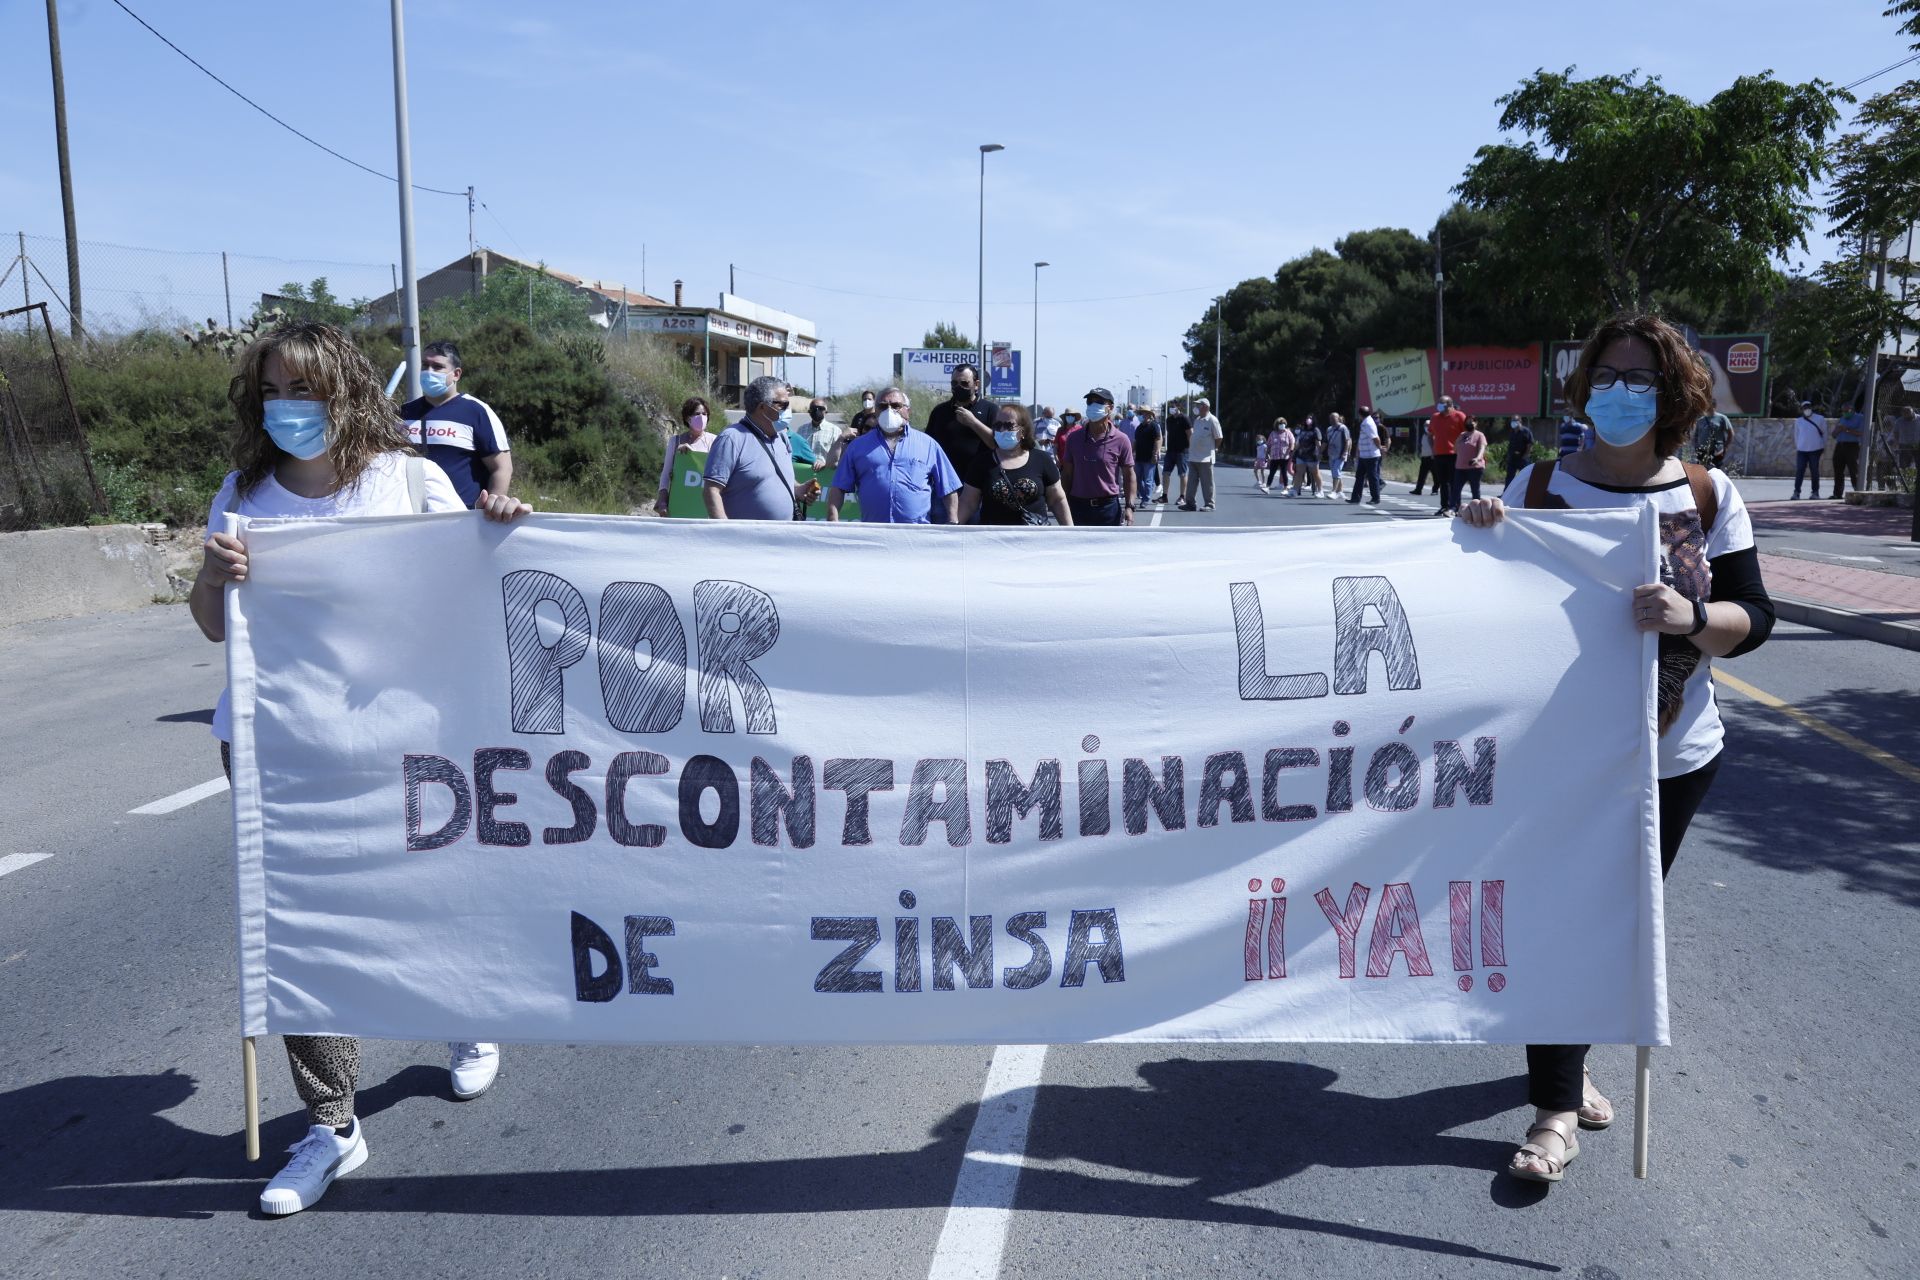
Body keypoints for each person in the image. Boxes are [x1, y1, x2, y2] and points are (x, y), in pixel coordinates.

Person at [192, 322, 531, 1216]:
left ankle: (466, 1012)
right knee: (299, 925)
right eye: (271, 392)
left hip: (398, 742)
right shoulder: (244, 493)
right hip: (274, 744)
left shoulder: (411, 480)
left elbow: (471, 597)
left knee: (425, 893)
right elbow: (212, 625)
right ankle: (332, 1124)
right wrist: (215, 576)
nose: (286, 409)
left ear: (345, 389)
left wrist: (494, 531)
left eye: (301, 390)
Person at [1462, 312, 1775, 1186]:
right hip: (1555, 759)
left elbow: (1756, 620)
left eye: (1640, 379)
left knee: (1621, 918)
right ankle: (1556, 1106)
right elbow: (1478, 613)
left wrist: (1695, 617)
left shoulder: (1707, 496)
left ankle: (1570, 1063)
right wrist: (1478, 533)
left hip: (1673, 757)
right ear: (1584, 386)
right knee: (1567, 916)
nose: (1620, 392)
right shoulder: (1535, 485)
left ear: (1672, 395)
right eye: (1607, 374)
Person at [399, 340, 511, 509]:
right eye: (425, 365)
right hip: (408, 516)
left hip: (460, 519)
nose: (429, 372)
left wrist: (489, 514)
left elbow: (501, 468)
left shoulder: (477, 411)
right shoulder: (403, 412)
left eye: (437, 367)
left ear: (456, 374)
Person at [827, 386, 961, 523]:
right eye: (883, 406)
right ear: (876, 411)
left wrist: (953, 520)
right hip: (874, 531)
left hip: (916, 534)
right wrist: (833, 519)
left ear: (907, 411)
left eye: (896, 405)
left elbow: (948, 487)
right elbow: (838, 487)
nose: (889, 411)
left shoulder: (928, 445)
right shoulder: (857, 447)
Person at [958, 402, 1073, 526]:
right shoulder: (981, 462)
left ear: (1023, 431)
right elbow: (968, 502)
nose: (1002, 430)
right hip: (993, 540)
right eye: (998, 425)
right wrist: (952, 528)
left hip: (1035, 540)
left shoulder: (1042, 460)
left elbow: (1057, 499)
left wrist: (1070, 533)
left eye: (1009, 425)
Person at [703, 376, 799, 521]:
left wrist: (799, 489)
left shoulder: (782, 437)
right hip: (743, 540)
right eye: (783, 406)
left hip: (781, 540)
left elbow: (775, 478)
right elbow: (711, 490)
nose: (788, 411)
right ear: (762, 407)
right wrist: (724, 531)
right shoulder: (732, 438)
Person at [924, 363, 996, 522]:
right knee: (944, 535)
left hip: (979, 487)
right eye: (954, 383)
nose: (958, 387)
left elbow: (996, 444)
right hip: (945, 487)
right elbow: (928, 447)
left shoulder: (990, 410)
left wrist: (973, 422)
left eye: (964, 383)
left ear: (976, 385)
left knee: (976, 537)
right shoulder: (940, 411)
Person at [1059, 386, 1136, 525]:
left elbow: (1129, 476)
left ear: (1110, 408)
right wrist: (1063, 505)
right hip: (1078, 507)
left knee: (1110, 547)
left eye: (1099, 402)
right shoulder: (1074, 438)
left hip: (1108, 509)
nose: (1093, 406)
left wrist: (1130, 507)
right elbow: (1067, 475)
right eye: (1090, 402)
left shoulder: (1121, 439)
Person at [653, 396, 714, 516]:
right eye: (697, 414)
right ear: (688, 418)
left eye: (704, 414)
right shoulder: (675, 441)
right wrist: (662, 500)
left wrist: (693, 457)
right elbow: (666, 474)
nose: (701, 417)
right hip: (680, 503)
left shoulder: (715, 441)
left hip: (703, 506)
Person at [1426, 395, 1467, 516]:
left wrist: (1463, 450)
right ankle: (1444, 506)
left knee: (1455, 482)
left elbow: (1467, 434)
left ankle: (1456, 507)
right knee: (1443, 482)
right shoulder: (1435, 417)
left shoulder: (1459, 416)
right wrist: (1433, 449)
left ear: (1450, 405)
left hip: (1455, 455)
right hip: (1439, 455)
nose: (1439, 406)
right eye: (1438, 403)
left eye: (1442, 404)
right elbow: (1430, 434)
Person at [1181, 397, 1223, 510]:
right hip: (1194, 456)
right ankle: (1190, 504)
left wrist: (1214, 448)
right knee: (1191, 483)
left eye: (1199, 405)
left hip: (1206, 458)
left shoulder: (1212, 420)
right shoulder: (1198, 420)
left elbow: (1219, 437)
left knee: (1207, 483)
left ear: (1206, 407)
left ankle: (1209, 504)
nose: (1197, 407)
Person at [1346, 408, 1384, 505]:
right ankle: (1355, 498)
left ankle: (1375, 498)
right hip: (1364, 455)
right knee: (1359, 476)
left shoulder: (1368, 423)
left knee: (1372, 477)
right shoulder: (1366, 422)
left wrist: (1379, 447)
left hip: (1371, 455)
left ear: (1360, 414)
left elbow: (1375, 437)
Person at [1791, 400, 1827, 499]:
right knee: (1800, 471)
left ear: (1811, 408)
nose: (1807, 409)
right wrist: (1798, 446)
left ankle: (1815, 492)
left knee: (1814, 471)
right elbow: (1796, 435)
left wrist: (1823, 446)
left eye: (1808, 407)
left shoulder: (1820, 419)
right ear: (1802, 410)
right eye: (1805, 408)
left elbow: (1824, 434)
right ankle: (1796, 492)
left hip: (1816, 449)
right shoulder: (1798, 421)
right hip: (1802, 450)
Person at [1452, 415, 1488, 505]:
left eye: (1472, 421)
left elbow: (1482, 449)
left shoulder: (1480, 435)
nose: (1470, 423)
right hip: (1460, 466)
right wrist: (1458, 439)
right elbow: (1455, 449)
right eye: (1468, 421)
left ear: (1476, 423)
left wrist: (1478, 458)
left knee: (1475, 489)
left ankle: (1477, 509)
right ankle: (1454, 508)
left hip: (1474, 466)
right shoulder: (1462, 435)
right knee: (1456, 489)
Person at [1831, 405, 1865, 499]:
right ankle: (1837, 494)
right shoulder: (1842, 418)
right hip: (1840, 445)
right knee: (1838, 470)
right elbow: (1833, 435)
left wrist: (1846, 429)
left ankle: (1858, 492)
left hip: (1852, 446)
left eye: (1847, 411)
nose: (1845, 412)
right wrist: (1837, 430)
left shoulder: (1860, 418)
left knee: (1853, 470)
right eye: (1843, 411)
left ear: (1853, 410)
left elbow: (1861, 433)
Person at [1160, 406, 1192, 503]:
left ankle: (1182, 496)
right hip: (1170, 451)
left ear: (1178, 407)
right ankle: (1164, 496)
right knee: (1165, 473)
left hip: (1182, 451)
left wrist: (1190, 449)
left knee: (1182, 474)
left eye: (1173, 407)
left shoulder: (1184, 418)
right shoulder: (1168, 420)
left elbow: (1190, 434)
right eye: (1170, 408)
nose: (1172, 409)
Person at [1133, 409, 1162, 507]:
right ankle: (1143, 495)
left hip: (1149, 458)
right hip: (1139, 457)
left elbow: (1158, 439)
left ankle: (1146, 499)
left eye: (1143, 413)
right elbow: (1135, 441)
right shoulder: (1139, 427)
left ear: (1149, 415)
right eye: (1140, 413)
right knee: (1137, 479)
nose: (1141, 415)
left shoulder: (1154, 426)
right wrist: (1132, 452)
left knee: (1148, 480)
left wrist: (1155, 453)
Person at [1692, 405, 1732, 471]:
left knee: (1715, 471)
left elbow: (1730, 433)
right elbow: (1695, 435)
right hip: (1702, 451)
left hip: (1717, 451)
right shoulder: (1700, 420)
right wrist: (1696, 447)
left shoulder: (1722, 418)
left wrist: (1725, 447)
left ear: (1713, 406)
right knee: (1702, 471)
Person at [1291, 416, 1322, 497]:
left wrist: (1319, 453)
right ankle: (1294, 490)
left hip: (1312, 456)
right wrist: (1294, 452)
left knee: (1315, 474)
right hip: (1301, 455)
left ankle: (1320, 491)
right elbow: (1298, 442)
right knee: (1299, 473)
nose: (1308, 420)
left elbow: (1318, 443)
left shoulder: (1315, 430)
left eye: (1310, 418)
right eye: (1307, 418)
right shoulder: (1302, 430)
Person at [1323, 413, 1352, 500]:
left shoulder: (1343, 428)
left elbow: (1347, 441)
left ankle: (1334, 492)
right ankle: (1340, 492)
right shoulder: (1329, 429)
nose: (1331, 420)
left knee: (1336, 471)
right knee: (1335, 473)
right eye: (1330, 418)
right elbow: (1325, 441)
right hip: (1331, 454)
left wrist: (1345, 452)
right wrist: (1320, 452)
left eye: (1333, 418)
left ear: (1338, 418)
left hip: (1340, 454)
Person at [1502, 416, 1535, 489]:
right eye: (1512, 420)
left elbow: (1529, 445)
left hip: (1522, 458)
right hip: (1513, 458)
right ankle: (1506, 493)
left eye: (1515, 420)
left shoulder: (1526, 431)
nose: (1513, 422)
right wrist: (1508, 456)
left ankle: (1527, 492)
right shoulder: (1512, 431)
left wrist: (1525, 455)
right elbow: (1510, 444)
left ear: (1519, 421)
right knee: (1509, 477)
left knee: (1525, 477)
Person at [1409, 415, 1437, 496]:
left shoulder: (1433, 435)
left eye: (1428, 425)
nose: (1426, 427)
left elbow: (1435, 446)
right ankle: (1418, 489)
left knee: (1436, 476)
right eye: (1425, 425)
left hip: (1432, 458)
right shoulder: (1423, 436)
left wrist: (1434, 455)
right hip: (1424, 458)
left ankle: (1435, 490)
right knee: (1422, 475)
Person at [1266, 419, 1292, 493]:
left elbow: (1292, 443)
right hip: (1274, 456)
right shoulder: (1273, 433)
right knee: (1271, 472)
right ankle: (1267, 487)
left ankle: (1285, 488)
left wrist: (1290, 452)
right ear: (1277, 424)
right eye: (1280, 423)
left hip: (1284, 456)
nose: (1282, 424)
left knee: (1284, 472)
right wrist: (1267, 454)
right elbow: (1269, 444)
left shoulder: (1288, 433)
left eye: (1283, 423)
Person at [1895, 404, 1920, 474]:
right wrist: (1896, 442)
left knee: (1919, 465)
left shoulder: (1919, 419)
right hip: (1904, 445)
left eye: (1908, 415)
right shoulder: (1899, 421)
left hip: (1917, 445)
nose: (1906, 418)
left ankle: (1917, 481)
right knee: (1904, 466)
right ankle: (1904, 481)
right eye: (1904, 415)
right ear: (1902, 414)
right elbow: (1896, 432)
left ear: (1912, 412)